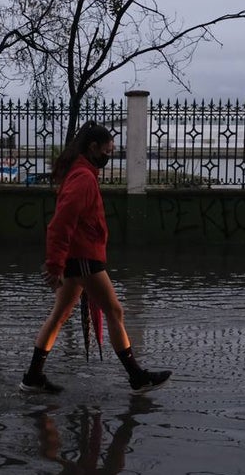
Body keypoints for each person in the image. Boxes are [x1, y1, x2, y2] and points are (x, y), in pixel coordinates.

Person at [20, 121, 172, 393]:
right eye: (107, 150)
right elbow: (60, 222)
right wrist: (55, 264)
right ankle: (137, 377)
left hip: (78, 256)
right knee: (115, 311)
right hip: (83, 258)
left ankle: (33, 377)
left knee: (59, 314)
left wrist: (59, 262)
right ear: (93, 148)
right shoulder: (83, 178)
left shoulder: (80, 173)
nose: (109, 155)